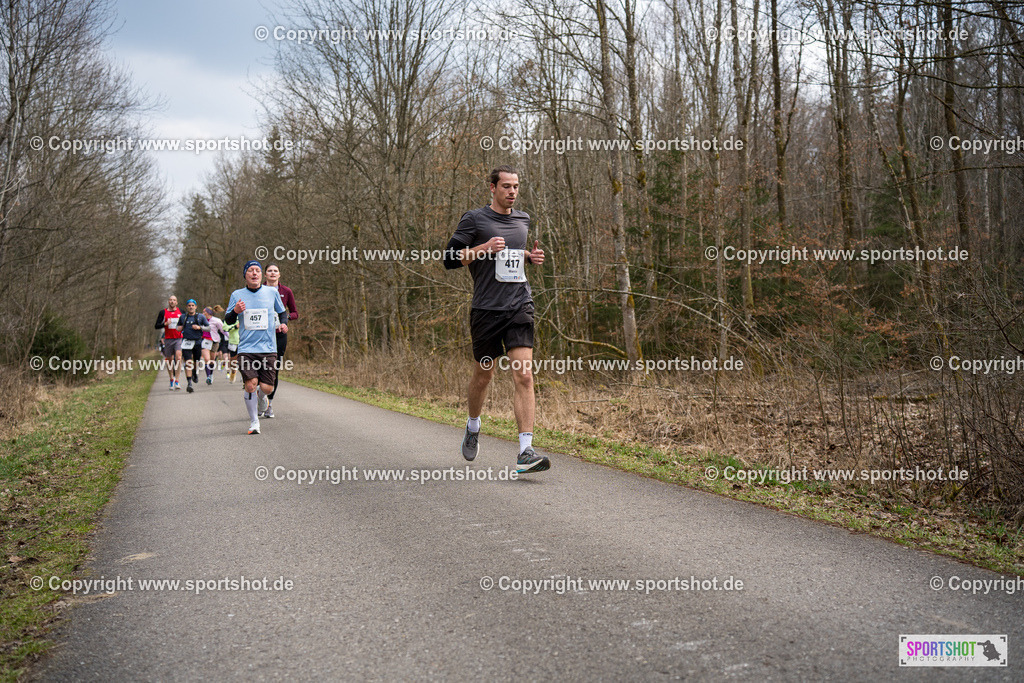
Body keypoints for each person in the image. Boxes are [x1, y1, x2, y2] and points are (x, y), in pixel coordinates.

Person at [443, 165, 549, 473]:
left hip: (519, 305)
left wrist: (529, 257)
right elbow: (450, 260)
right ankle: (473, 425)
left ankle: (525, 451)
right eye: (506, 186)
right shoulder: (475, 219)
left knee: (525, 376)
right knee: (483, 376)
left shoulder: (523, 219)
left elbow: (511, 256)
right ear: (492, 188)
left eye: (516, 186)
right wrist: (483, 248)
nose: (512, 191)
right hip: (486, 310)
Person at [225, 260, 288, 435]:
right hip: (246, 348)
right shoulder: (237, 294)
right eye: (251, 270)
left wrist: (283, 324)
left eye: (257, 271)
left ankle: (263, 398)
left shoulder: (271, 292)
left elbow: (282, 312)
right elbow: (228, 320)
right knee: (250, 385)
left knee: (266, 387)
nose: (254, 273)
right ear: (245, 275)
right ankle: (254, 422)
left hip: (268, 346)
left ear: (261, 275)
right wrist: (236, 311)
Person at [262, 264, 298, 418]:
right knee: (260, 367)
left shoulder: (286, 291)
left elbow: (295, 312)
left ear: (279, 274)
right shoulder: (258, 290)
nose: (272, 273)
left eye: (275, 271)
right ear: (265, 275)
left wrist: (285, 319)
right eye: (269, 270)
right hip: (261, 335)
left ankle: (269, 403)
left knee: (273, 370)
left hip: (279, 334)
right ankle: (259, 396)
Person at [175, 299, 209, 394]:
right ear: (187, 307)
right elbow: (177, 327)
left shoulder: (201, 317)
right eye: (189, 305)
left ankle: (194, 372)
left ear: (195, 307)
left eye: (192, 305)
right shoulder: (183, 317)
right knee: (188, 362)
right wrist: (179, 328)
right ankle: (189, 383)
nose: (191, 307)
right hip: (186, 342)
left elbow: (209, 328)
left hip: (197, 342)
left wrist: (200, 327)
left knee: (196, 361)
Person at [155, 295, 183, 390]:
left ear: (177, 302)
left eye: (174, 300)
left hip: (179, 338)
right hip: (168, 339)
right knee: (169, 360)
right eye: (170, 300)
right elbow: (156, 326)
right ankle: (171, 378)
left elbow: (186, 323)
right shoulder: (163, 312)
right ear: (168, 302)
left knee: (178, 357)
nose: (172, 301)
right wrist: (165, 324)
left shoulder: (181, 312)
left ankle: (177, 380)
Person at [203, 306, 226, 384]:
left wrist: (230, 337)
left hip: (214, 341)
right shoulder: (201, 320)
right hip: (205, 341)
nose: (202, 313)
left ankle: (211, 374)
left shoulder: (216, 320)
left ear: (208, 313)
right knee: (207, 359)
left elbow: (223, 330)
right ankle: (208, 376)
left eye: (204, 312)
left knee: (212, 360)